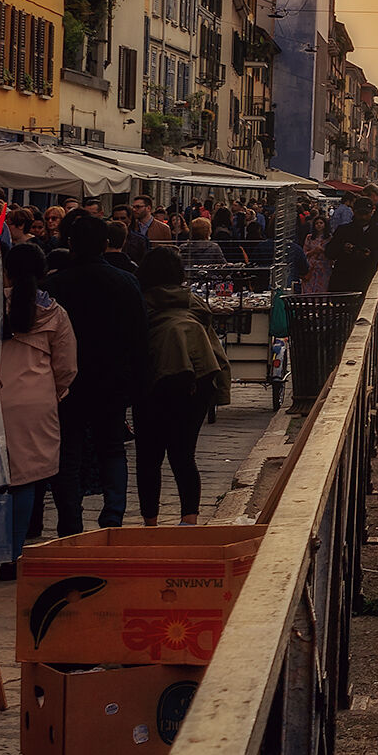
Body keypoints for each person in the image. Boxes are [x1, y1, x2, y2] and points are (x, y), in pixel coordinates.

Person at [43, 212, 146, 535]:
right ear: (105, 244)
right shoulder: (126, 283)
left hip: (65, 383)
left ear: (70, 243)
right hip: (111, 381)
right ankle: (113, 516)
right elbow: (140, 338)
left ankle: (70, 522)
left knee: (68, 452)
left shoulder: (55, 285)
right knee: (111, 447)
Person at [136, 247, 232, 526]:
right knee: (183, 454)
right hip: (197, 381)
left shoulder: (141, 304)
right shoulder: (194, 303)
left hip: (155, 382)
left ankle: (150, 525)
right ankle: (189, 520)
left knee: (149, 457)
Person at [0, 247, 77, 577]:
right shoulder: (54, 312)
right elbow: (66, 366)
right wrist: (53, 392)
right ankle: (14, 557)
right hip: (37, 401)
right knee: (25, 480)